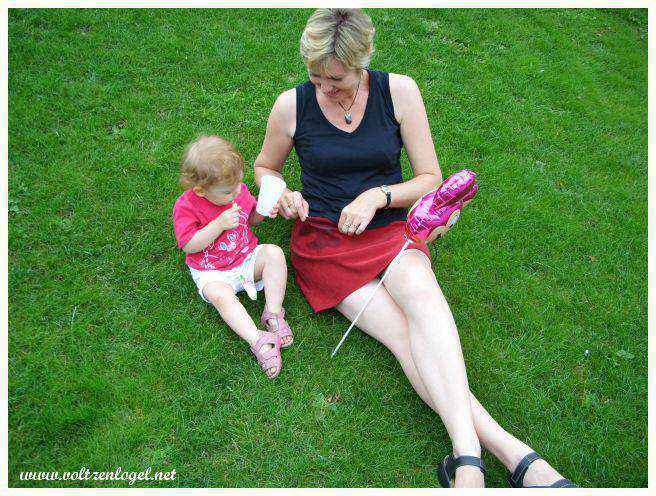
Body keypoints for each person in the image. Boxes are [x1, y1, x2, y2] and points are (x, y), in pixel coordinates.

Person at [253, 8, 577, 488]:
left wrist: (377, 195)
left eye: (335, 79)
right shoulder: (290, 106)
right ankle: (520, 459)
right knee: (404, 339)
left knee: (424, 302)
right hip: (323, 242)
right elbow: (265, 168)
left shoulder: (399, 91)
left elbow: (430, 178)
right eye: (315, 77)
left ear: (363, 60)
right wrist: (281, 194)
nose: (324, 89)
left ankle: (469, 463)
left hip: (387, 227)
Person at [173, 135, 293, 379]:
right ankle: (256, 338)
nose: (238, 191)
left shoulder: (236, 191)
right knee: (219, 295)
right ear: (200, 190)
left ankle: (273, 312)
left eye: (239, 183)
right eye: (229, 191)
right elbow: (189, 245)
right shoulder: (186, 207)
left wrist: (262, 211)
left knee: (275, 254)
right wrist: (218, 225)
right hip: (212, 271)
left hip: (245, 256)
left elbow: (249, 219)